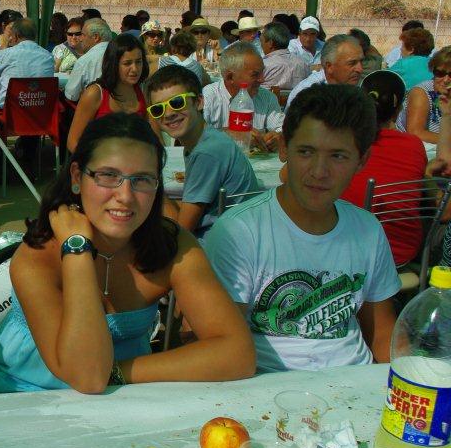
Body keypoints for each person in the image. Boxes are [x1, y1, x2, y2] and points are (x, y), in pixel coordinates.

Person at [0, 113, 255, 394]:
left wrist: (118, 372)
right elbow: (87, 377)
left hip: (123, 393)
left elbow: (237, 354)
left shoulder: (170, 244)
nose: (126, 196)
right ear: (77, 177)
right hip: (22, 394)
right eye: (108, 175)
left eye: (142, 179)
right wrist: (77, 249)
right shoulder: (37, 257)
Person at [204, 84, 401, 373]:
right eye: (306, 152)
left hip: (355, 379)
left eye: (338, 156)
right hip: (267, 384)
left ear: (362, 160)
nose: (319, 172)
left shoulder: (368, 229)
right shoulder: (240, 231)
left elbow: (382, 333)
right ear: (284, 148)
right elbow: (220, 344)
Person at [151, 66, 260, 235]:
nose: (168, 113)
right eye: (158, 109)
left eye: (177, 102)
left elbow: (181, 232)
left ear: (199, 102)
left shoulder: (206, 152)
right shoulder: (204, 140)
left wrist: (152, 185)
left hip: (220, 243)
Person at [340, 70, 426, 267]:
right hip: (401, 254)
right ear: (398, 109)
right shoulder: (414, 145)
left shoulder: (345, 141)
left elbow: (286, 177)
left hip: (347, 253)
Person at [67, 33, 148, 153]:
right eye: (127, 63)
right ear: (114, 64)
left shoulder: (142, 90)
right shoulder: (95, 93)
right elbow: (73, 142)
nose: (135, 69)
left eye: (139, 62)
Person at [201, 42, 284, 150]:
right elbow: (195, 133)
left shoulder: (267, 97)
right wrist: (228, 134)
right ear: (230, 77)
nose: (262, 79)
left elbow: (283, 129)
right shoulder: (208, 97)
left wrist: (278, 137)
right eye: (255, 74)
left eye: (262, 72)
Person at [0, 19, 54, 110]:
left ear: (16, 36)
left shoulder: (6, 53)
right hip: (41, 110)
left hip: (10, 111)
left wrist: (4, 46)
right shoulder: (48, 56)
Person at [287, 34, 365, 104]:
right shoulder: (307, 96)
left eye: (361, 61)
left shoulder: (360, 89)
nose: (360, 69)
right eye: (352, 63)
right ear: (329, 67)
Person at [399, 45, 451, 145]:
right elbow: (415, 133)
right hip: (417, 147)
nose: (445, 80)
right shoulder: (422, 92)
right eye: (439, 73)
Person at [63, 18, 115, 102]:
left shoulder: (85, 61)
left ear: (96, 37)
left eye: (83, 35)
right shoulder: (123, 53)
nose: (80, 39)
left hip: (95, 107)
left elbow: (71, 95)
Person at [260, 21, 310, 91]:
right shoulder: (303, 64)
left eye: (261, 41)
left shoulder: (262, 66)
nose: (261, 45)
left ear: (270, 43)